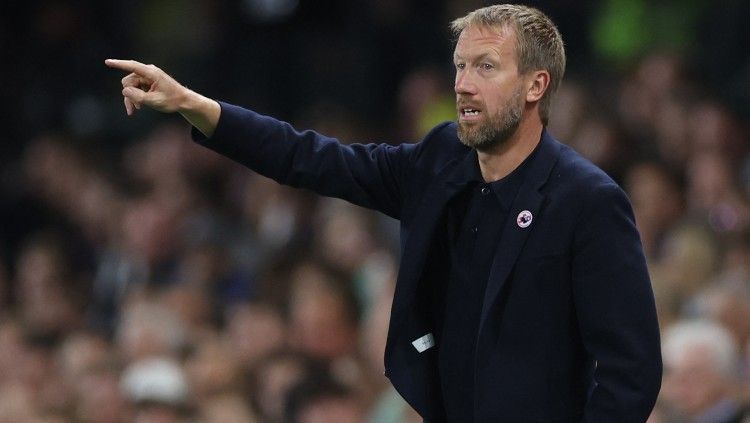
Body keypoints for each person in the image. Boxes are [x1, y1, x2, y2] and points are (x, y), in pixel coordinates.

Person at [106, 4, 662, 421]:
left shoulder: (588, 201)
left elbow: (629, 370)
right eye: (460, 66)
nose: (463, 84)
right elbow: (313, 159)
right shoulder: (441, 159)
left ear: (536, 85)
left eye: (486, 67)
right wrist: (195, 107)